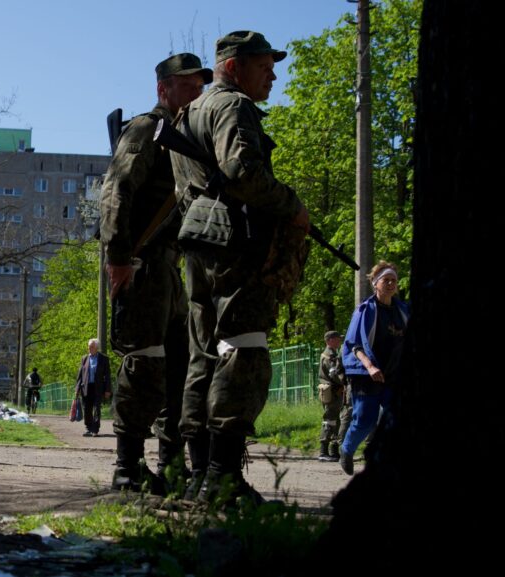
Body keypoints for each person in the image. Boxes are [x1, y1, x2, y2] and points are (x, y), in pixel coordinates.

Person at [170, 31, 310, 506]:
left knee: (203, 356)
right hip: (235, 243)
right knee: (244, 351)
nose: (273, 74)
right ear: (234, 67)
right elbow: (244, 172)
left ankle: (199, 474)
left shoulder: (189, 113)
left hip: (199, 241)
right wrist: (292, 205)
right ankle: (223, 479)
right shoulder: (232, 107)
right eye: (264, 65)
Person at [100, 52, 212, 493]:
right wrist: (118, 257)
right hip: (141, 263)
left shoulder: (189, 137)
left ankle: (171, 464)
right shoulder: (148, 128)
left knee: (178, 369)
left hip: (171, 265)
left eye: (199, 86)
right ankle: (127, 467)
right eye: (186, 86)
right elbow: (116, 189)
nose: (195, 93)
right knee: (143, 364)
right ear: (163, 89)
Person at [339, 261, 409, 475]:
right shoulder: (365, 310)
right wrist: (369, 367)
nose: (390, 284)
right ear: (375, 284)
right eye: (385, 280)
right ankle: (347, 449)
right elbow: (353, 345)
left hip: (393, 373)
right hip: (366, 374)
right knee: (365, 419)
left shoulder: (403, 310)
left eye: (393, 281)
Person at [316, 330, 346, 462]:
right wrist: (345, 382)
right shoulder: (329, 356)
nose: (340, 340)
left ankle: (334, 452)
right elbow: (334, 374)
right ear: (329, 340)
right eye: (337, 338)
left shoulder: (332, 354)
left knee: (336, 420)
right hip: (333, 392)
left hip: (335, 392)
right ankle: (323, 452)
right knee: (329, 420)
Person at [75, 339, 111, 437]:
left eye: (91, 346)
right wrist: (77, 390)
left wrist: (108, 389)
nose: (89, 348)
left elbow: (107, 375)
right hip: (86, 387)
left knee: (96, 409)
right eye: (88, 346)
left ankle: (95, 429)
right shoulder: (84, 358)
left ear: (96, 347)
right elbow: (80, 375)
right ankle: (88, 428)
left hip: (98, 388)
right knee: (87, 409)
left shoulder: (104, 359)